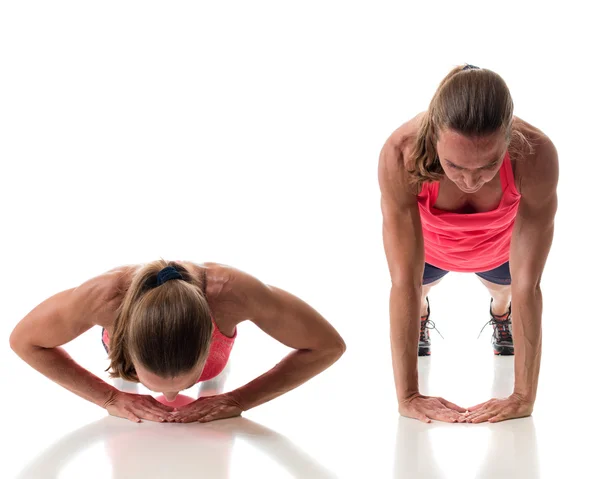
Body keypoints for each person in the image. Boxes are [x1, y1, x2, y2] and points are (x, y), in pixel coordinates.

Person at [378, 64, 558, 423]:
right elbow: (404, 282)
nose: (470, 181)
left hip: (497, 253)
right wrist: (409, 397)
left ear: (509, 139)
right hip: (428, 253)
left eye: (488, 165)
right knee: (417, 295)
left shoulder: (535, 154)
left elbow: (528, 284)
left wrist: (523, 397)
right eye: (454, 166)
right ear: (433, 137)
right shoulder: (401, 153)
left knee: (507, 294)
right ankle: (423, 317)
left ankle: (499, 314)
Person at [10, 260, 346, 423]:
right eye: (145, 378)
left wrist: (239, 400)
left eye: (181, 382)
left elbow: (328, 346)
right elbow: (24, 341)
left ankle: (211, 373)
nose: (170, 397)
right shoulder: (103, 299)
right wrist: (110, 397)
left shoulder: (232, 294)